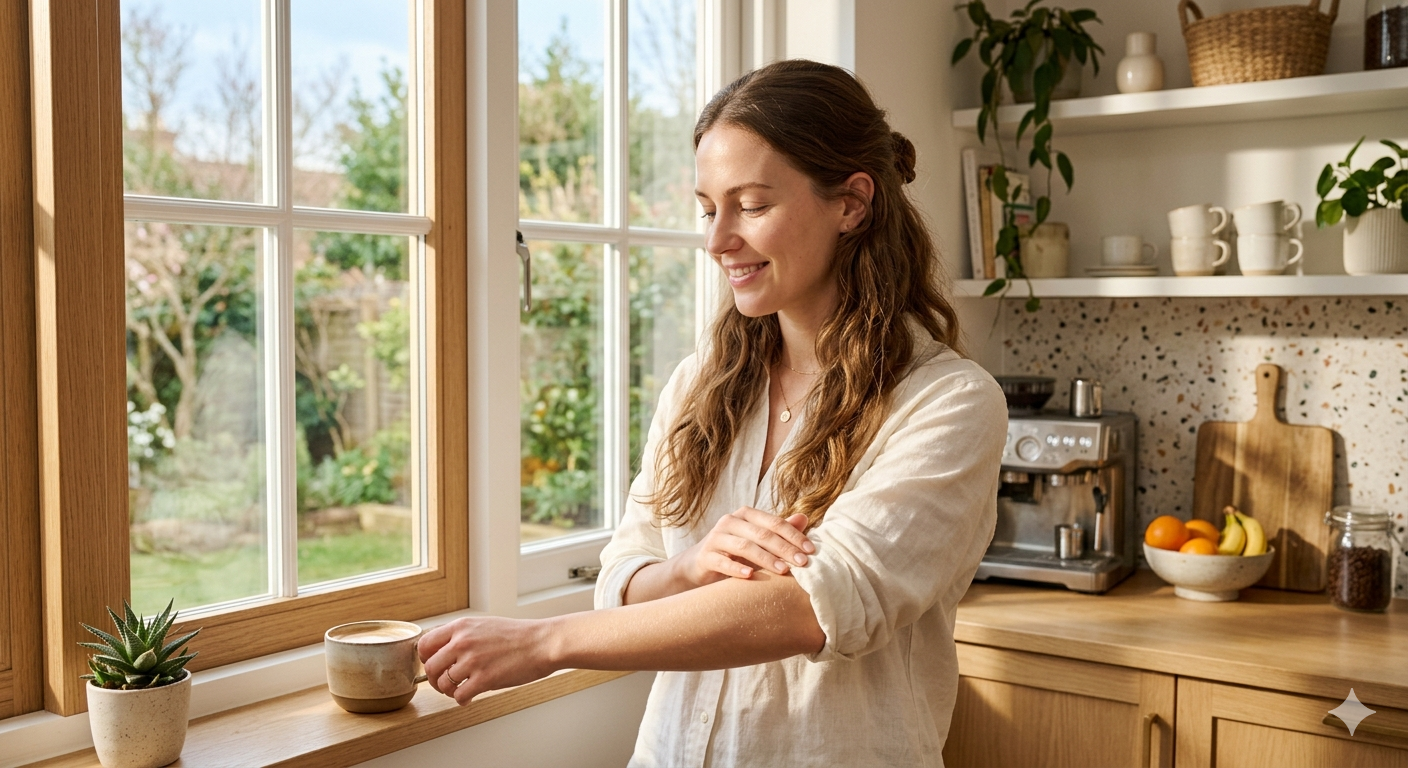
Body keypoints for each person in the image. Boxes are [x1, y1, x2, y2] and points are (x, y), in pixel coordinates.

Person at [418, 59, 1006, 766]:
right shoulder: (701, 384)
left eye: (752, 206)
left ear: (852, 203)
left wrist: (546, 641)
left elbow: (816, 607)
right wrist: (691, 567)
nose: (717, 239)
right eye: (708, 208)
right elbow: (624, 574)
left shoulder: (946, 402)